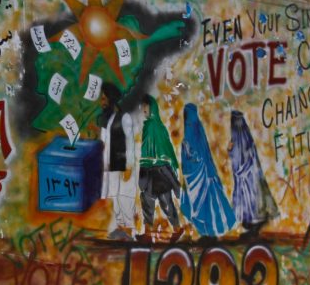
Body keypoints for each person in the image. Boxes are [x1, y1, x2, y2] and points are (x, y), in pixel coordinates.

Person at [179, 103, 236, 238]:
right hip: (191, 178)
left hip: (203, 177)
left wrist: (194, 157)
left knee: (209, 206)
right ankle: (204, 233)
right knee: (195, 206)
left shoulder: (198, 132)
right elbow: (187, 159)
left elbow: (203, 154)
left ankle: (210, 233)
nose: (188, 122)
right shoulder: (190, 134)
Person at [136, 95, 183, 243]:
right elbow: (165, 149)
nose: (143, 109)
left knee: (158, 201)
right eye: (142, 106)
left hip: (155, 171)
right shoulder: (158, 126)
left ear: (152, 108)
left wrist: (144, 169)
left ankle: (172, 230)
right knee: (156, 201)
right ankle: (152, 232)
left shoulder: (151, 127)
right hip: (158, 171)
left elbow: (153, 151)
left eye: (146, 106)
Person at [228, 110, 278, 235]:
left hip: (247, 180)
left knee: (251, 204)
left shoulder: (241, 140)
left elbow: (240, 162)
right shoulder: (245, 139)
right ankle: (252, 226)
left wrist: (231, 151)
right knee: (250, 204)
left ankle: (254, 226)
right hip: (248, 179)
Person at [98, 82, 137, 240]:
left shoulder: (124, 118)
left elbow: (130, 143)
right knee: (114, 197)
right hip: (110, 166)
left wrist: (129, 166)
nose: (101, 103)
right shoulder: (106, 120)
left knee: (124, 198)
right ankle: (118, 229)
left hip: (122, 167)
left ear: (111, 100)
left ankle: (129, 231)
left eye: (104, 99)